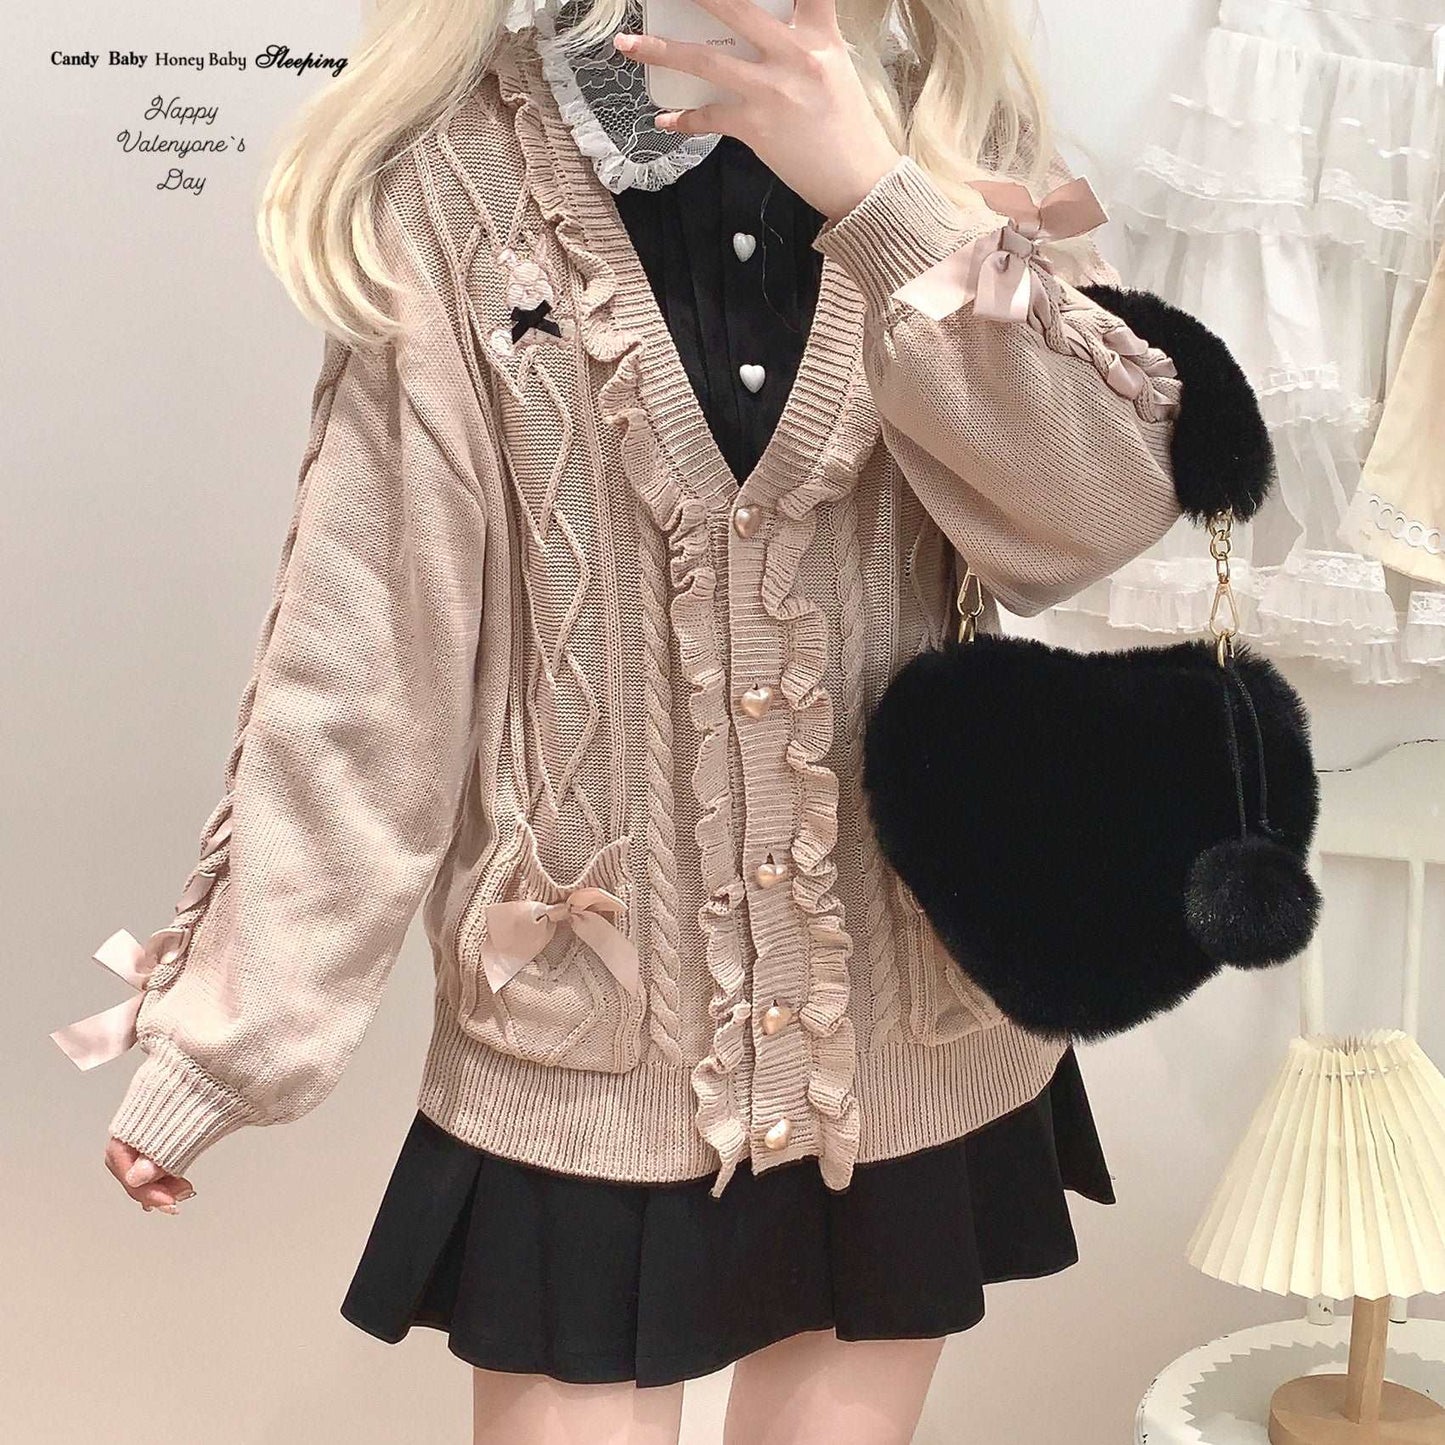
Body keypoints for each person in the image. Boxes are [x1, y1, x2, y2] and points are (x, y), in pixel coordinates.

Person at [60, 0, 1196, 1438]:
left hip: (903, 1042)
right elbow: (369, 665)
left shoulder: (949, 138)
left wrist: (879, 197)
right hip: (585, 1048)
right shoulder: (458, 179)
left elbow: (1095, 513)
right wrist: (227, 1039)